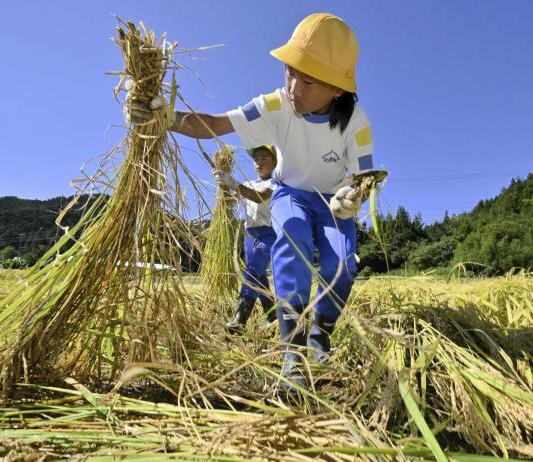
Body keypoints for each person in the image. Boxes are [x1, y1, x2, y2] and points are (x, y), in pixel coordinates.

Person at [129, 13, 375, 389]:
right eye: (291, 73)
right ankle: (292, 351)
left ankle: (320, 332)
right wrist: (165, 117)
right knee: (292, 240)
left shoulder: (354, 122)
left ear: (337, 89)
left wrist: (354, 197)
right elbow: (212, 124)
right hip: (289, 194)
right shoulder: (275, 106)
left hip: (332, 202)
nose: (294, 86)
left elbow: (365, 177)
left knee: (341, 266)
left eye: (308, 81)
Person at [223, 145, 278, 333]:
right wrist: (222, 184)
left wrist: (233, 183)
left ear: (275, 162)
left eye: (264, 159)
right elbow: (233, 199)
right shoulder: (249, 183)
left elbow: (259, 198)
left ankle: (240, 319)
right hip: (249, 236)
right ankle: (273, 316)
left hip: (268, 234)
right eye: (256, 159)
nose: (259, 163)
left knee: (252, 273)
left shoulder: (275, 184)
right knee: (260, 278)